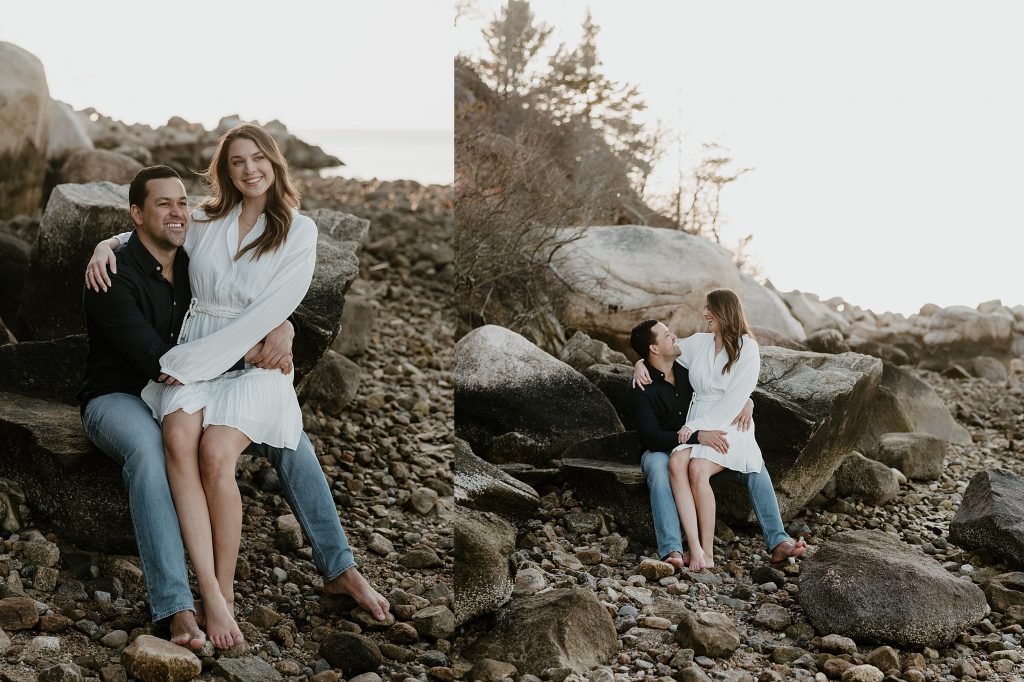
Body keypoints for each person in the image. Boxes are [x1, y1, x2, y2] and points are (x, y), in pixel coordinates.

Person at [82, 159, 387, 649]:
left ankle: (340, 567)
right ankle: (178, 606)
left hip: (200, 373)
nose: (178, 212)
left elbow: (231, 276)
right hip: (122, 392)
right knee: (152, 450)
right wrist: (103, 246)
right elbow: (156, 359)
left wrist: (282, 325)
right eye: (164, 204)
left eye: (182, 201)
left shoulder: (186, 253)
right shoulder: (113, 274)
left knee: (289, 437)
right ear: (138, 214)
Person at [629, 300, 805, 571]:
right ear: (654, 348)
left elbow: (727, 384)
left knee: (753, 465)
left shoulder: (686, 366)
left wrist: (747, 401)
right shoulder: (644, 386)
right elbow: (652, 438)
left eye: (709, 308)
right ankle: (673, 549)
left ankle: (777, 541)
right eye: (666, 334)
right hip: (671, 443)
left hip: (703, 434)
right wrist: (639, 363)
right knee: (660, 464)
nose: (674, 335)